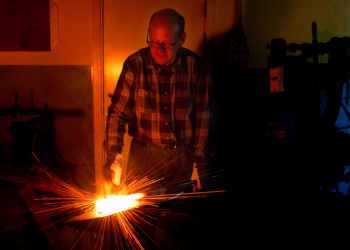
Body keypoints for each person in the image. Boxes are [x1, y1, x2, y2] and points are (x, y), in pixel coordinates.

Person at [104, 8, 210, 195]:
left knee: (180, 220)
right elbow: (118, 114)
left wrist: (200, 163)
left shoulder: (196, 67)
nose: (159, 50)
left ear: (182, 38)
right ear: (148, 34)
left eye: (167, 44)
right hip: (145, 159)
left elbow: (203, 118)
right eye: (153, 42)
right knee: (141, 220)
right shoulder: (135, 65)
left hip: (182, 158)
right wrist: (114, 155)